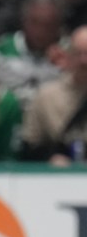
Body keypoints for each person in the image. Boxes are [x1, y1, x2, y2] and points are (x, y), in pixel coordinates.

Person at [20, 25, 87, 166]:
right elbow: (29, 147)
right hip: (58, 173)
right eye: (78, 53)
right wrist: (49, 159)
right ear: (68, 56)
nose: (84, 61)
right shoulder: (46, 96)